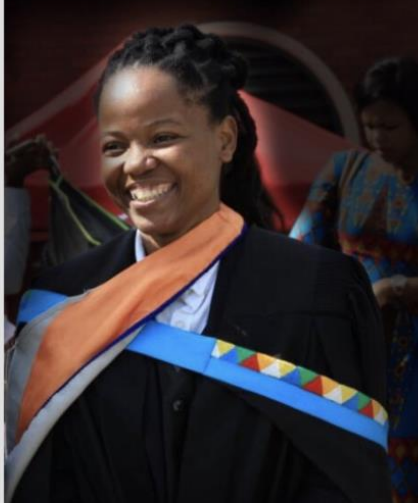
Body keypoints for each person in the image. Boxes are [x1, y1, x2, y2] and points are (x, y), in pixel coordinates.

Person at [5, 25, 392, 503]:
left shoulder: (318, 289)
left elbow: (347, 480)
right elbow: (46, 480)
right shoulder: (61, 302)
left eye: (162, 137)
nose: (136, 164)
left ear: (225, 139)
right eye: (115, 146)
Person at [290, 56, 418, 502]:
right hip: (349, 342)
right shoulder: (345, 170)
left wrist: (398, 289)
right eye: (369, 126)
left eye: (390, 126)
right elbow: (301, 249)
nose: (377, 138)